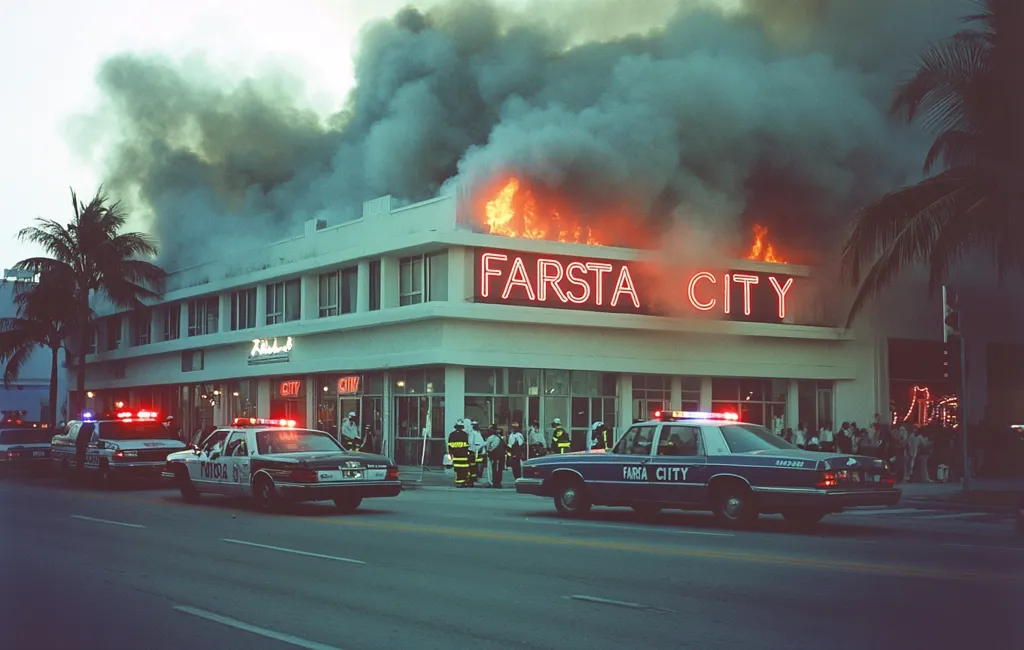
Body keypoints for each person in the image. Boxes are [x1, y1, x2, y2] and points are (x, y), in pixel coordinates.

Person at [447, 421, 471, 488]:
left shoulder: (452, 435)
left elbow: (449, 445)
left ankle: (459, 483)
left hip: (456, 456)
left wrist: (450, 453)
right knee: (464, 470)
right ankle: (463, 482)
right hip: (464, 456)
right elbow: (468, 445)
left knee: (457, 470)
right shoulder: (465, 434)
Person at [468, 420, 485, 485]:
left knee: (481, 464)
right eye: (475, 425)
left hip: (481, 450)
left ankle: (479, 475)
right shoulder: (472, 433)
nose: (476, 426)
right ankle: (475, 477)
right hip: (475, 450)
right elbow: (471, 442)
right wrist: (473, 450)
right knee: (475, 465)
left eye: (477, 425)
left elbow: (481, 441)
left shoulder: (478, 432)